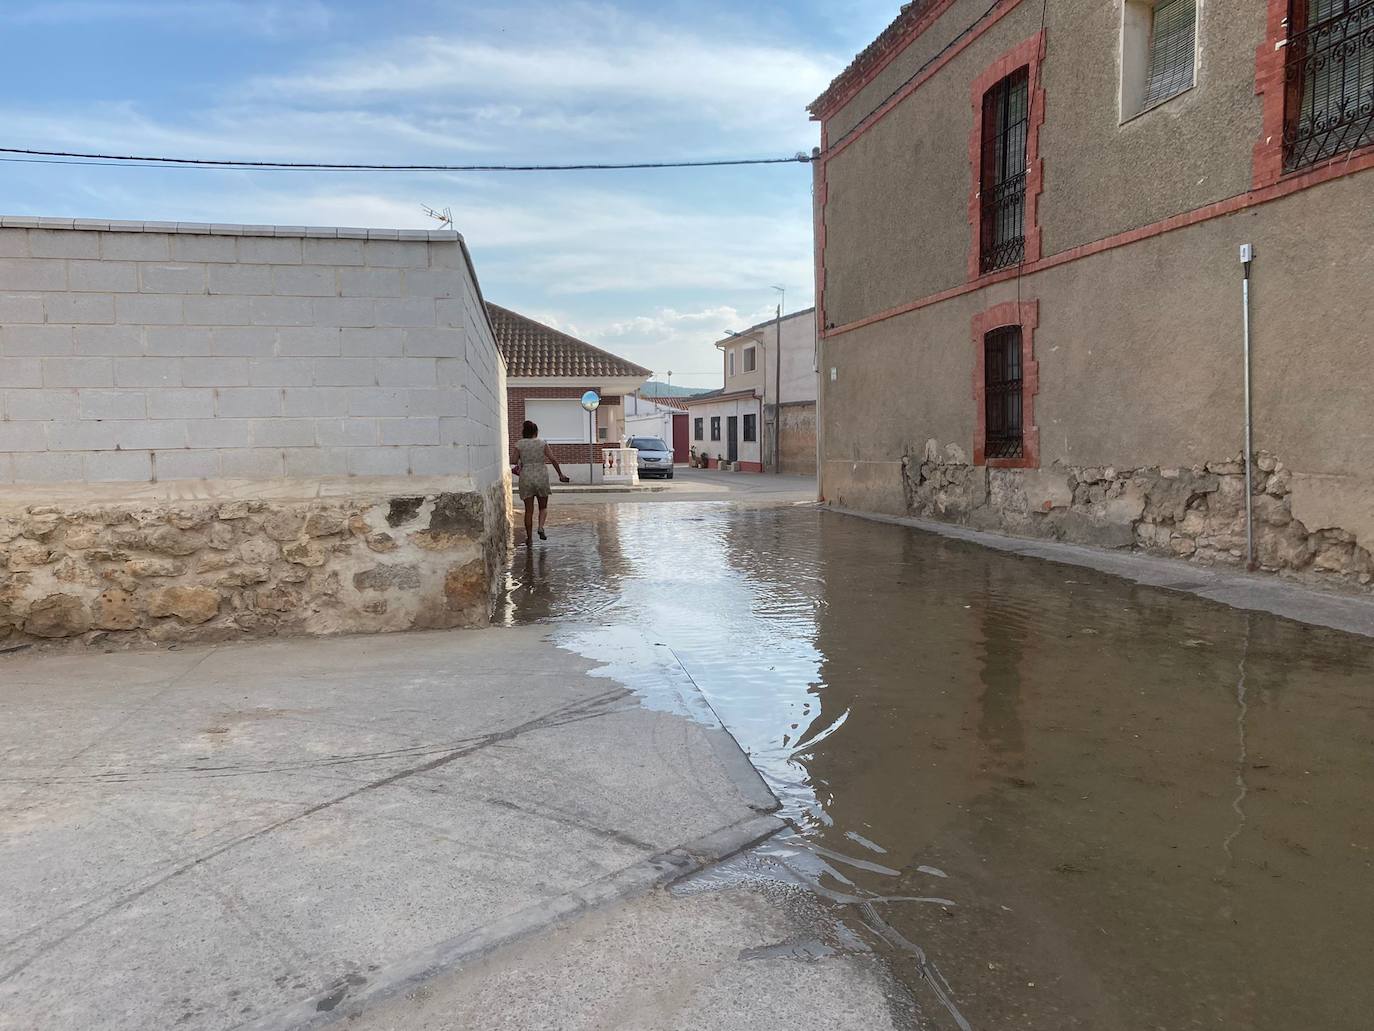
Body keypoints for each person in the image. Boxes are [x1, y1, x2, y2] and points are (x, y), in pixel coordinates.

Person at [512, 420, 570, 544]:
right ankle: (540, 527)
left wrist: (522, 461)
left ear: (524, 432)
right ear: (536, 432)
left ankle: (529, 538)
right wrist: (560, 474)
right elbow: (553, 459)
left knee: (528, 510)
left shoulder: (519, 444)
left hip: (526, 476)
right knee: (543, 507)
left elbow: (513, 460)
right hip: (541, 477)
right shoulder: (542, 443)